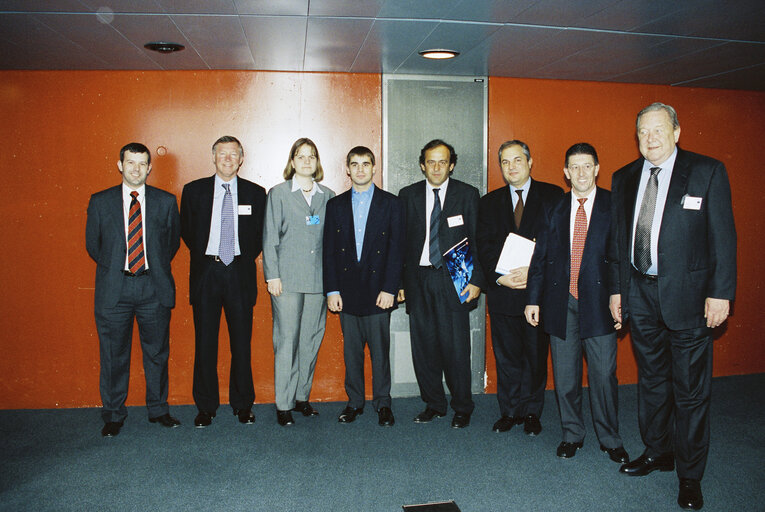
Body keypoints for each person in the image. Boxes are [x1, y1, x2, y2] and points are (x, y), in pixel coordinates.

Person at [608, 103, 736, 511]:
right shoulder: (625, 177)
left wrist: (721, 294)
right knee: (652, 382)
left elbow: (724, 239)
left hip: (690, 299)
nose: (651, 138)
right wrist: (617, 291)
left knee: (691, 391)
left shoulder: (706, 171)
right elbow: (617, 244)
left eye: (659, 130)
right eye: (643, 131)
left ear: (677, 132)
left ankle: (690, 475)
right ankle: (657, 451)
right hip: (640, 294)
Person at [525, 143, 629, 463]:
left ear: (597, 168)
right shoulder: (554, 208)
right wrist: (533, 300)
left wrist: (619, 294)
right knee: (566, 376)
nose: (581, 173)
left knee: (602, 375)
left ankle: (609, 437)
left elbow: (621, 258)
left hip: (599, 304)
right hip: (561, 302)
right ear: (566, 173)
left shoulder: (614, 205)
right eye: (575, 167)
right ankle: (572, 433)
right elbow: (540, 258)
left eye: (588, 166)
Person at [86, 142, 181, 437]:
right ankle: (113, 414)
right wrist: (120, 268)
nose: (136, 169)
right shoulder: (100, 202)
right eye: (130, 163)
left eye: (142, 164)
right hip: (115, 289)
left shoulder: (166, 202)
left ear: (149, 168)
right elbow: (94, 246)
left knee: (157, 353)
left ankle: (158, 409)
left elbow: (172, 244)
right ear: (120, 165)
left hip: (154, 287)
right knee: (114, 355)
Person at [180, 136, 266, 428]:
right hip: (207, 273)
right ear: (213, 157)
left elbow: (257, 238)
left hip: (240, 274)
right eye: (222, 153)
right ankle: (206, 407)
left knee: (241, 344)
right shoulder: (194, 191)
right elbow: (189, 233)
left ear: (241, 159)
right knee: (205, 343)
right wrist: (213, 256)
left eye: (233, 154)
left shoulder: (256, 193)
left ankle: (243, 405)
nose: (227, 159)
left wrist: (236, 257)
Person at [477, 140, 563, 435]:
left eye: (517, 160)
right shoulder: (489, 202)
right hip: (502, 292)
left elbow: (558, 243)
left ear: (530, 162)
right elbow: (484, 248)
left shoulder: (553, 196)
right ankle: (509, 411)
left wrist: (535, 271)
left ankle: (531, 413)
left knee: (536, 355)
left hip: (536, 294)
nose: (511, 167)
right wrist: (499, 278)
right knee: (507, 356)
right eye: (505, 162)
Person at [398, 139, 485, 429]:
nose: (437, 167)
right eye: (431, 162)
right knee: (424, 348)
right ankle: (434, 404)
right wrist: (400, 283)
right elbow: (401, 244)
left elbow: (478, 240)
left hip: (455, 277)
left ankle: (462, 406)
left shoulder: (467, 194)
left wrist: (476, 281)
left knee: (456, 348)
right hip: (419, 278)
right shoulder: (407, 195)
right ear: (422, 165)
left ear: (452, 165)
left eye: (443, 161)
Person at [323, 146, 404, 427]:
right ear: (347, 169)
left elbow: (397, 250)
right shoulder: (335, 205)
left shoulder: (391, 204)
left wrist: (390, 288)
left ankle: (383, 404)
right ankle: (354, 402)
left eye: (365, 164)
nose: (360, 169)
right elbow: (329, 251)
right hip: (346, 292)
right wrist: (332, 291)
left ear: (373, 168)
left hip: (379, 292)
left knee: (380, 353)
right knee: (352, 352)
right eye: (354, 164)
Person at [263, 138, 335, 426]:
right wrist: (272, 276)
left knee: (310, 340)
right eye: (300, 156)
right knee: (287, 341)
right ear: (292, 161)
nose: (306, 161)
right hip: (287, 280)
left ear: (317, 162)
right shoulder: (278, 193)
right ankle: (283, 403)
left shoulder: (327, 195)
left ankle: (302, 397)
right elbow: (270, 238)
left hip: (318, 280)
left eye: (312, 156)